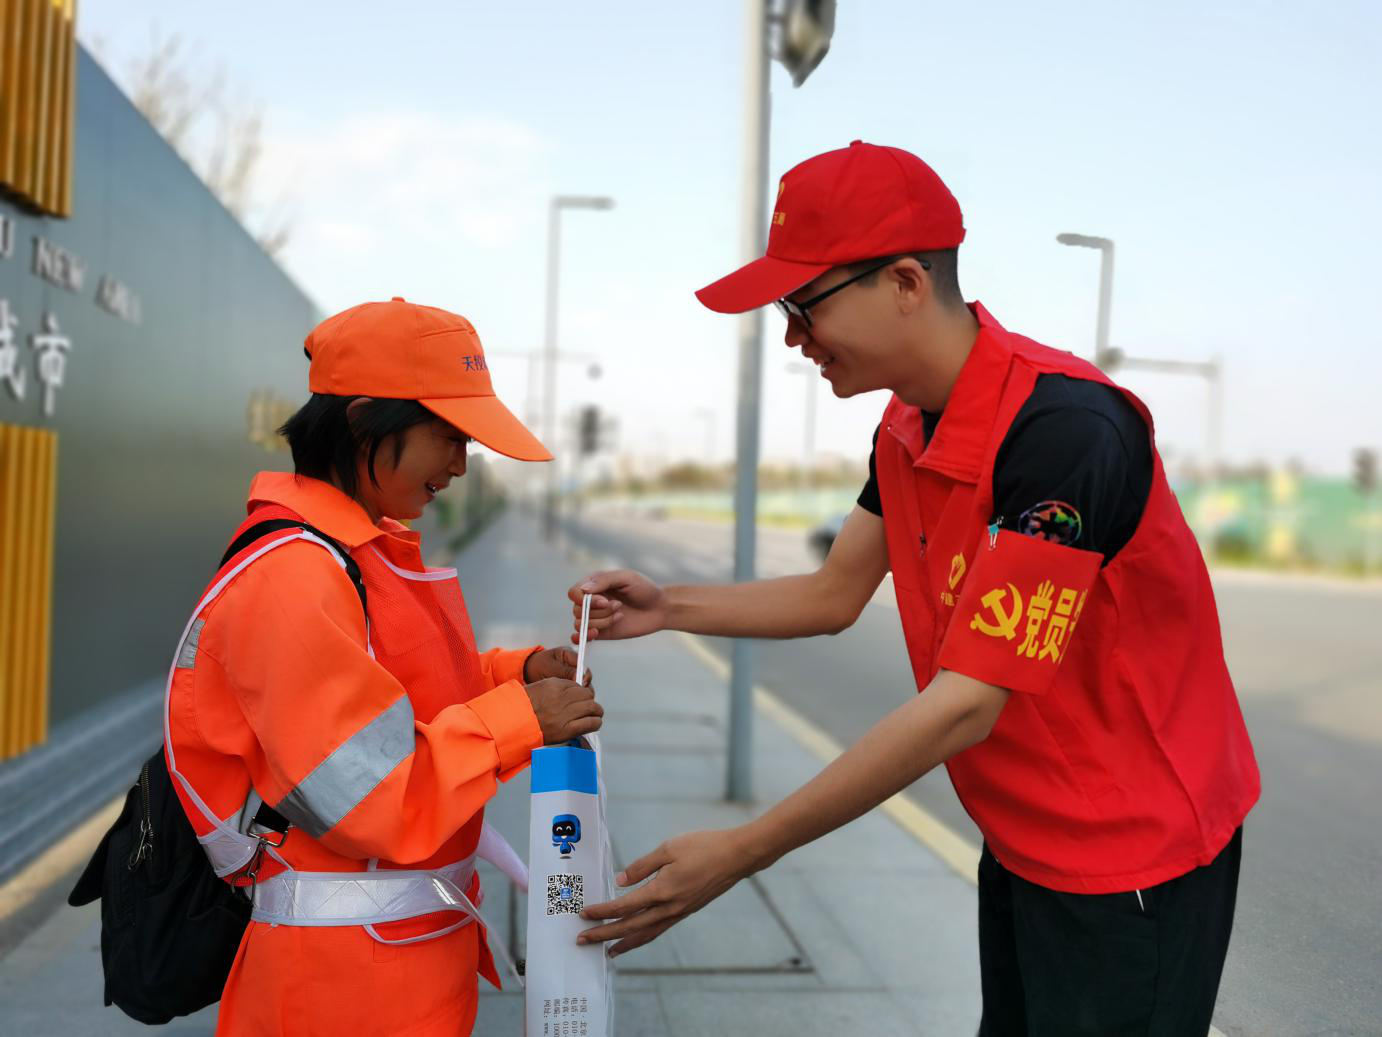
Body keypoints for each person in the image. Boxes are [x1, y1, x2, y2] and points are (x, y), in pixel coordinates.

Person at [568, 142, 1259, 1036]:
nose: (792, 337)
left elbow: (968, 700)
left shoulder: (1067, 434)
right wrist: (670, 608)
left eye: (803, 306)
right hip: (1024, 839)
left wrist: (743, 850)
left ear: (902, 281)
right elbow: (834, 592)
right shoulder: (906, 424)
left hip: (1132, 858)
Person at [166, 297, 603, 1036]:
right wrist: (524, 718)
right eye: (450, 436)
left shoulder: (350, 551)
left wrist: (519, 675)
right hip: (340, 991)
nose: (463, 465)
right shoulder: (295, 578)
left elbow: (402, 696)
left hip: (385, 965)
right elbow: (376, 792)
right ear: (367, 419)